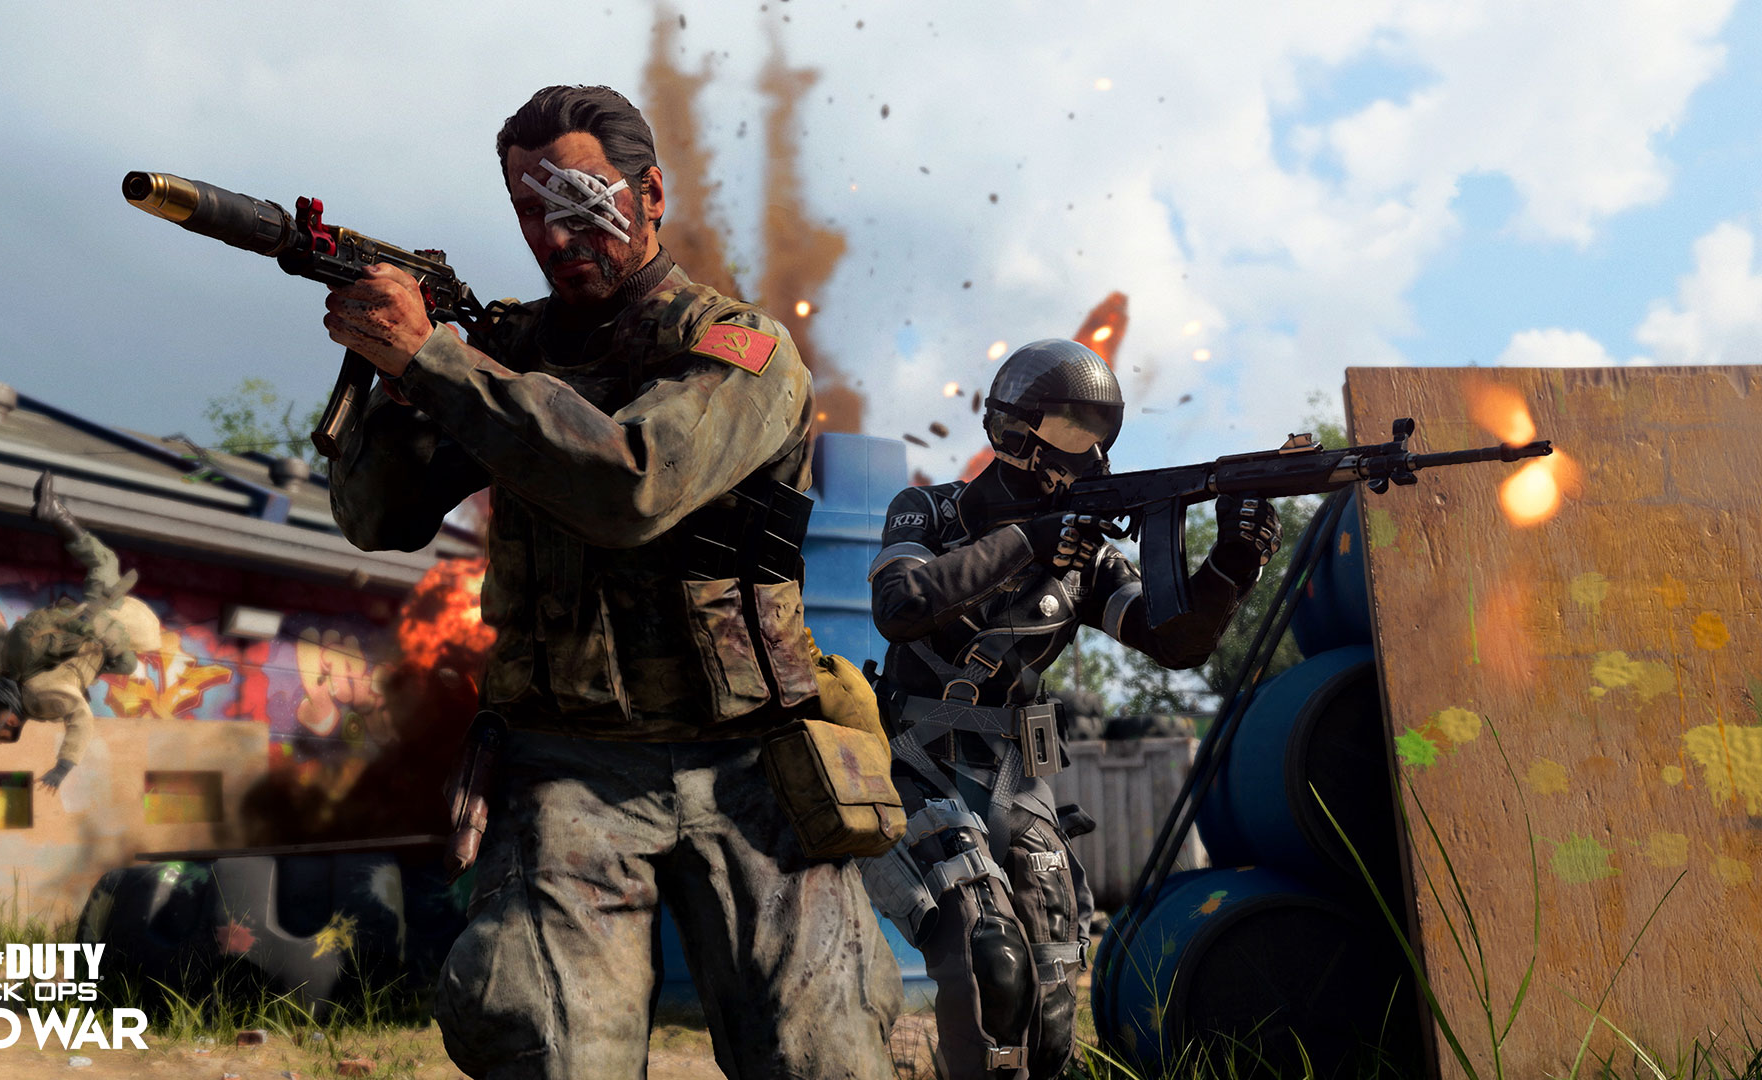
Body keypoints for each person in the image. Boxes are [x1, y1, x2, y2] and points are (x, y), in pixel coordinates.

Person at [322, 85, 901, 1080]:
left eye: (581, 198)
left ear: (651, 192)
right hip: (566, 766)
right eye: (528, 210)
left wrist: (438, 362)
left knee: (826, 1056)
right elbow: (381, 516)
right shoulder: (505, 352)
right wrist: (388, 373)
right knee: (550, 1045)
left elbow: (631, 484)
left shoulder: (743, 350)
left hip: (750, 763)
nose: (555, 232)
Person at [860, 339, 1280, 1079]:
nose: (1086, 454)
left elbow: (1172, 641)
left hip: (1018, 772)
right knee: (990, 955)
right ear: (1014, 430)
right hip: (916, 762)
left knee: (1054, 976)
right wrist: (1028, 542)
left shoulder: (1087, 557)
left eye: (1097, 436)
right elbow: (901, 605)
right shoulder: (928, 510)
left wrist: (1232, 566)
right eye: (1069, 431)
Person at [0, 472, 161, 792]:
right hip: (98, 626)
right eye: (7, 729)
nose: (7, 723)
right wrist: (66, 763)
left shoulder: (11, 677)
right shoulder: (28, 690)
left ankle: (54, 513)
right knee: (104, 565)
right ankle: (55, 514)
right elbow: (81, 719)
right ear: (11, 721)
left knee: (105, 569)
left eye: (2, 727)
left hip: (87, 621)